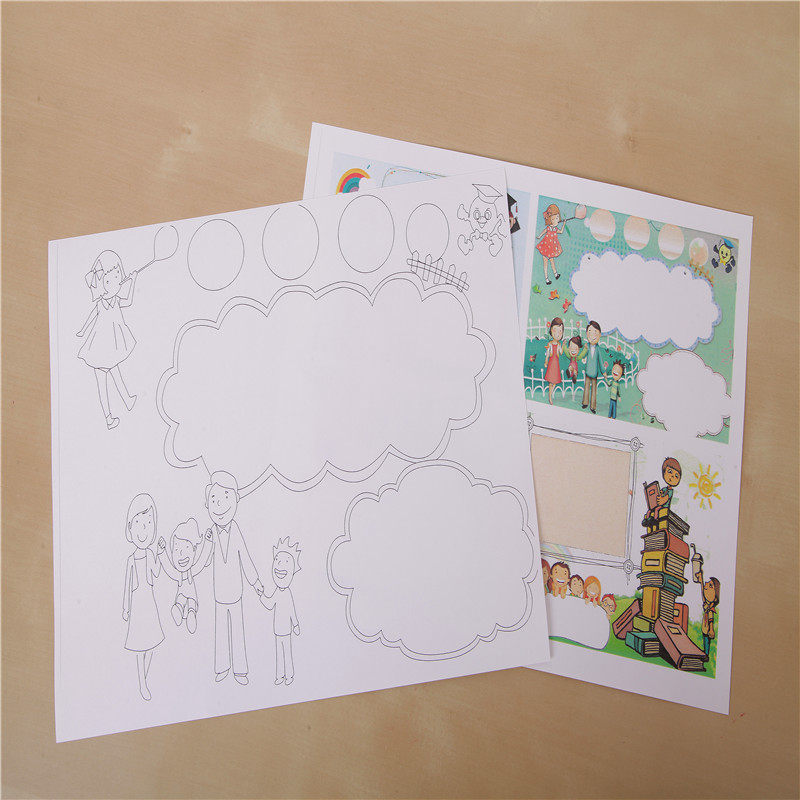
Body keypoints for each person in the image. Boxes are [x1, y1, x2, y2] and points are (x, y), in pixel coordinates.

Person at [202, 471, 264, 685]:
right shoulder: (210, 534)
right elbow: (204, 561)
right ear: (207, 503)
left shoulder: (235, 530)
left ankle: (240, 670)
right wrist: (205, 544)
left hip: (236, 592)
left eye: (225, 497)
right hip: (219, 593)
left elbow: (244, 557)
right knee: (221, 632)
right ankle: (222, 667)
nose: (219, 505)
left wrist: (256, 582)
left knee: (237, 630)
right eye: (214, 499)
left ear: (236, 499)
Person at [76, 250, 139, 429]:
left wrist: (133, 281)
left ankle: (126, 401)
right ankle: (109, 418)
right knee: (103, 380)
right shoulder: (101, 303)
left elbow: (128, 301)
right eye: (109, 280)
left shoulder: (116, 300)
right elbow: (92, 317)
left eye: (118, 276)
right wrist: (82, 330)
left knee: (113, 369)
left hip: (111, 345)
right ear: (101, 285)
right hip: (99, 346)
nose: (116, 282)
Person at [122, 493, 164, 701]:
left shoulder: (150, 554)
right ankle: (142, 683)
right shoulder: (131, 559)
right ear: (130, 528)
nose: (143, 531)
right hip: (137, 603)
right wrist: (126, 608)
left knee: (153, 643)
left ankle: (144, 679)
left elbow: (156, 572)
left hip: (150, 602)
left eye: (148, 524)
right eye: (138, 524)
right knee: (140, 646)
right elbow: (127, 585)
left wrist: (161, 553)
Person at [158, 518, 212, 634]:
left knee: (191, 602)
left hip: (192, 595)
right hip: (181, 595)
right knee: (181, 599)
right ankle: (178, 609)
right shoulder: (178, 574)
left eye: (186, 548)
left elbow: (202, 560)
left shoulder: (193, 570)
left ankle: (191, 614)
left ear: (194, 550)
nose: (181, 554)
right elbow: (168, 567)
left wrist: (208, 541)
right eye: (177, 549)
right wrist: (161, 551)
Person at [260, 538, 302, 686]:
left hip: (286, 630)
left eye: (285, 562)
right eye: (277, 560)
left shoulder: (287, 594)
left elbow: (292, 611)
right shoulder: (277, 592)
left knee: (287, 652)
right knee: (279, 653)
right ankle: (280, 676)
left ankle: (289, 675)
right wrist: (261, 595)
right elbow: (269, 604)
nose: (279, 565)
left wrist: (295, 624)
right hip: (278, 630)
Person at [535, 204, 565, 285]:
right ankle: (547, 279)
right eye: (553, 218)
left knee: (552, 262)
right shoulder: (548, 228)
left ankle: (555, 274)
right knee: (545, 264)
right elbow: (543, 232)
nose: (556, 220)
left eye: (557, 218)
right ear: (549, 219)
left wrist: (564, 224)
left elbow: (561, 232)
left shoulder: (555, 229)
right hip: (545, 248)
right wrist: (539, 236)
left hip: (551, 249)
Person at [577, 321, 602, 413]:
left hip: (595, 372)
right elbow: (583, 355)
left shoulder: (598, 349)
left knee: (594, 389)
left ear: (599, 335)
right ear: (587, 334)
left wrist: (603, 372)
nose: (593, 335)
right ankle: (585, 402)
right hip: (588, 371)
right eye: (590, 332)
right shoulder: (587, 346)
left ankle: (593, 407)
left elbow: (600, 361)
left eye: (595, 332)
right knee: (586, 387)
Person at [544, 317, 566, 405]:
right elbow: (547, 354)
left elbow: (561, 352)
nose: (557, 334)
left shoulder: (559, 344)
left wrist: (563, 346)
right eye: (555, 330)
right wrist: (546, 361)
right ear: (551, 331)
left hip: (556, 364)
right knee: (551, 382)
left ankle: (550, 394)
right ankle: (550, 397)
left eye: (560, 331)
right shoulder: (550, 344)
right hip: (551, 364)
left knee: (555, 382)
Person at [701, 576, 721, 657]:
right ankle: (705, 653)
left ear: (715, 598)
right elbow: (703, 596)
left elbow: (711, 620)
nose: (706, 584)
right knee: (705, 641)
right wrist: (701, 581)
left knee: (707, 641)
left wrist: (711, 630)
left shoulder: (710, 609)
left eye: (710, 585)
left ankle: (706, 654)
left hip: (707, 630)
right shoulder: (707, 606)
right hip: (704, 628)